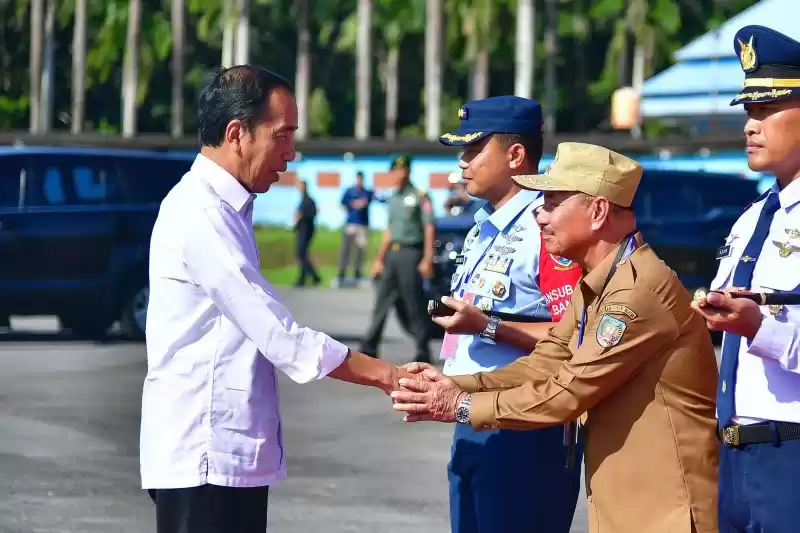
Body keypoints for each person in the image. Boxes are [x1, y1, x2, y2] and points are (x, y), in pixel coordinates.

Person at [393, 142, 720, 533]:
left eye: (551, 201)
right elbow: (547, 360)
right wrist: (454, 385)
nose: (539, 216)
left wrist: (460, 406)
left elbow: (566, 393)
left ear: (597, 211)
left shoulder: (634, 295)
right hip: (628, 504)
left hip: (664, 511)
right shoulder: (602, 282)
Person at [141, 65, 409, 533]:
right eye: (282, 135)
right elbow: (279, 335)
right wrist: (387, 374)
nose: (291, 153)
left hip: (226, 455)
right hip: (205, 456)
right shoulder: (202, 213)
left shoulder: (228, 206)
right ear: (237, 133)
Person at [432, 95, 582, 533]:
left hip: (524, 425)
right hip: (473, 416)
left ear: (516, 154)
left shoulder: (547, 226)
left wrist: (489, 326)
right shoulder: (484, 225)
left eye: (474, 149)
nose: (463, 162)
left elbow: (575, 335)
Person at [690, 25, 800, 533]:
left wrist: (760, 328)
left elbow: (764, 324)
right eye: (747, 113)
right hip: (734, 453)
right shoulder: (753, 216)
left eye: (765, 111)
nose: (750, 127)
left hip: (791, 456)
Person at [359, 154, 435, 364]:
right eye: (395, 170)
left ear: (408, 171)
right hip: (393, 254)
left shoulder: (420, 196)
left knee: (413, 303)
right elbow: (389, 232)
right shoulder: (392, 198)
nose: (398, 174)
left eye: (402, 169)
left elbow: (429, 228)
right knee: (381, 301)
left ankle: (423, 349)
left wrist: (427, 259)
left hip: (411, 254)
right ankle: (370, 346)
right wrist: (379, 259)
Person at [337, 171, 373, 286]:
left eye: (361, 179)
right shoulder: (350, 191)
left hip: (362, 225)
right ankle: (342, 272)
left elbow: (377, 199)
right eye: (358, 179)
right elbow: (342, 204)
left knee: (360, 250)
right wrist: (352, 205)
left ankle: (357, 272)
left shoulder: (367, 192)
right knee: (346, 249)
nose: (359, 181)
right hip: (351, 224)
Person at [294, 179, 321, 287]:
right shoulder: (304, 199)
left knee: (301, 254)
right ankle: (308, 277)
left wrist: (300, 217)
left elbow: (310, 213)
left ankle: (313, 277)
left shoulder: (308, 200)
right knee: (302, 255)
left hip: (306, 230)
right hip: (302, 230)